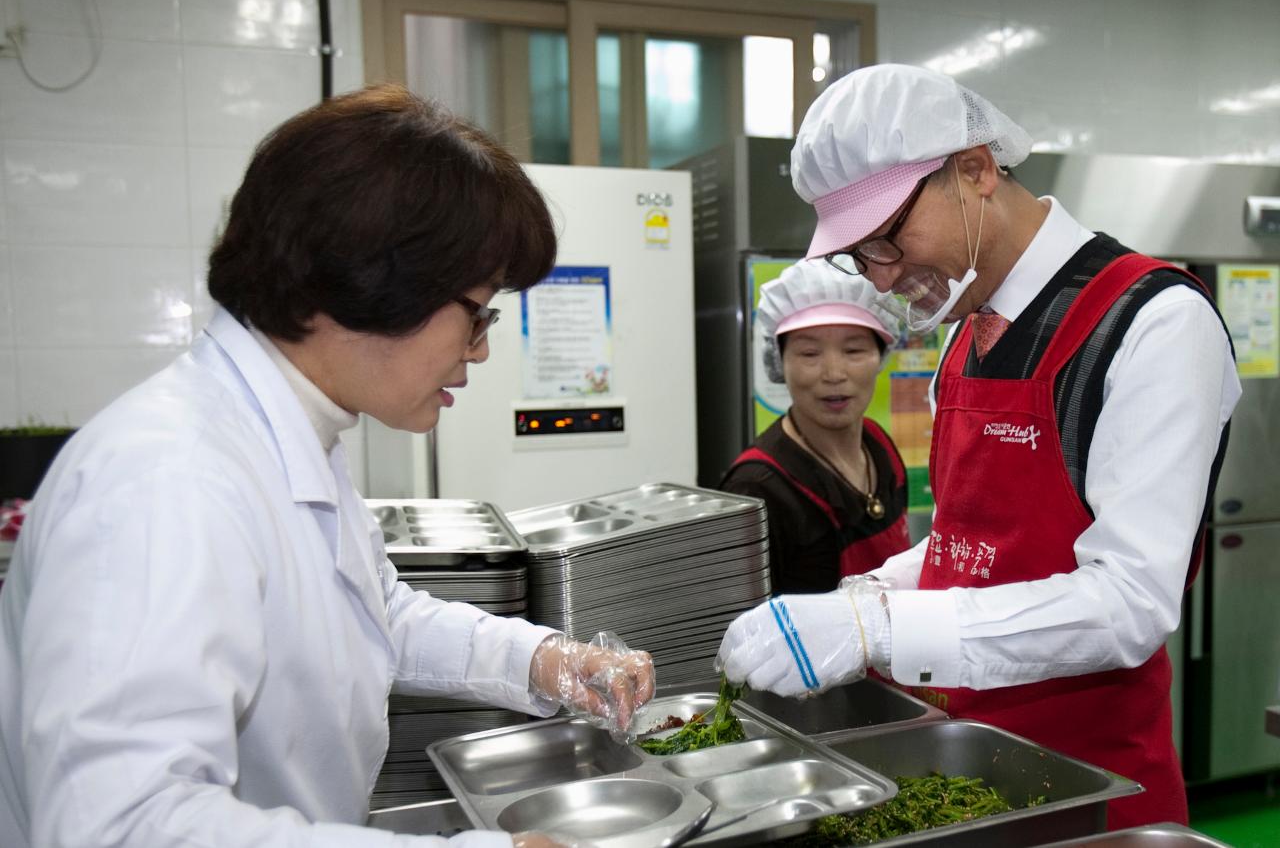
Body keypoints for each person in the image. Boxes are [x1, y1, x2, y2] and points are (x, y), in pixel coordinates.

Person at [0, 85, 654, 848]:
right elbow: (119, 824)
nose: (479, 348)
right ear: (369, 282)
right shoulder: (165, 481)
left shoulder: (287, 437)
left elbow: (378, 615)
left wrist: (540, 659)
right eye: (476, 312)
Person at [716, 64, 1240, 830]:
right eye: (862, 256)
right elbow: (967, 549)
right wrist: (861, 599)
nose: (885, 276)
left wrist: (880, 629)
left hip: (1094, 795)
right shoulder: (966, 335)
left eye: (890, 238)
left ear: (976, 169)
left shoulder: (1150, 322)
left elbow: (1130, 601)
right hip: (966, 774)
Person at [719, 260, 911, 592]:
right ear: (778, 362)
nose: (834, 374)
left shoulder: (880, 446)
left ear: (881, 357)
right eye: (809, 353)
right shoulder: (757, 489)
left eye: (853, 350)